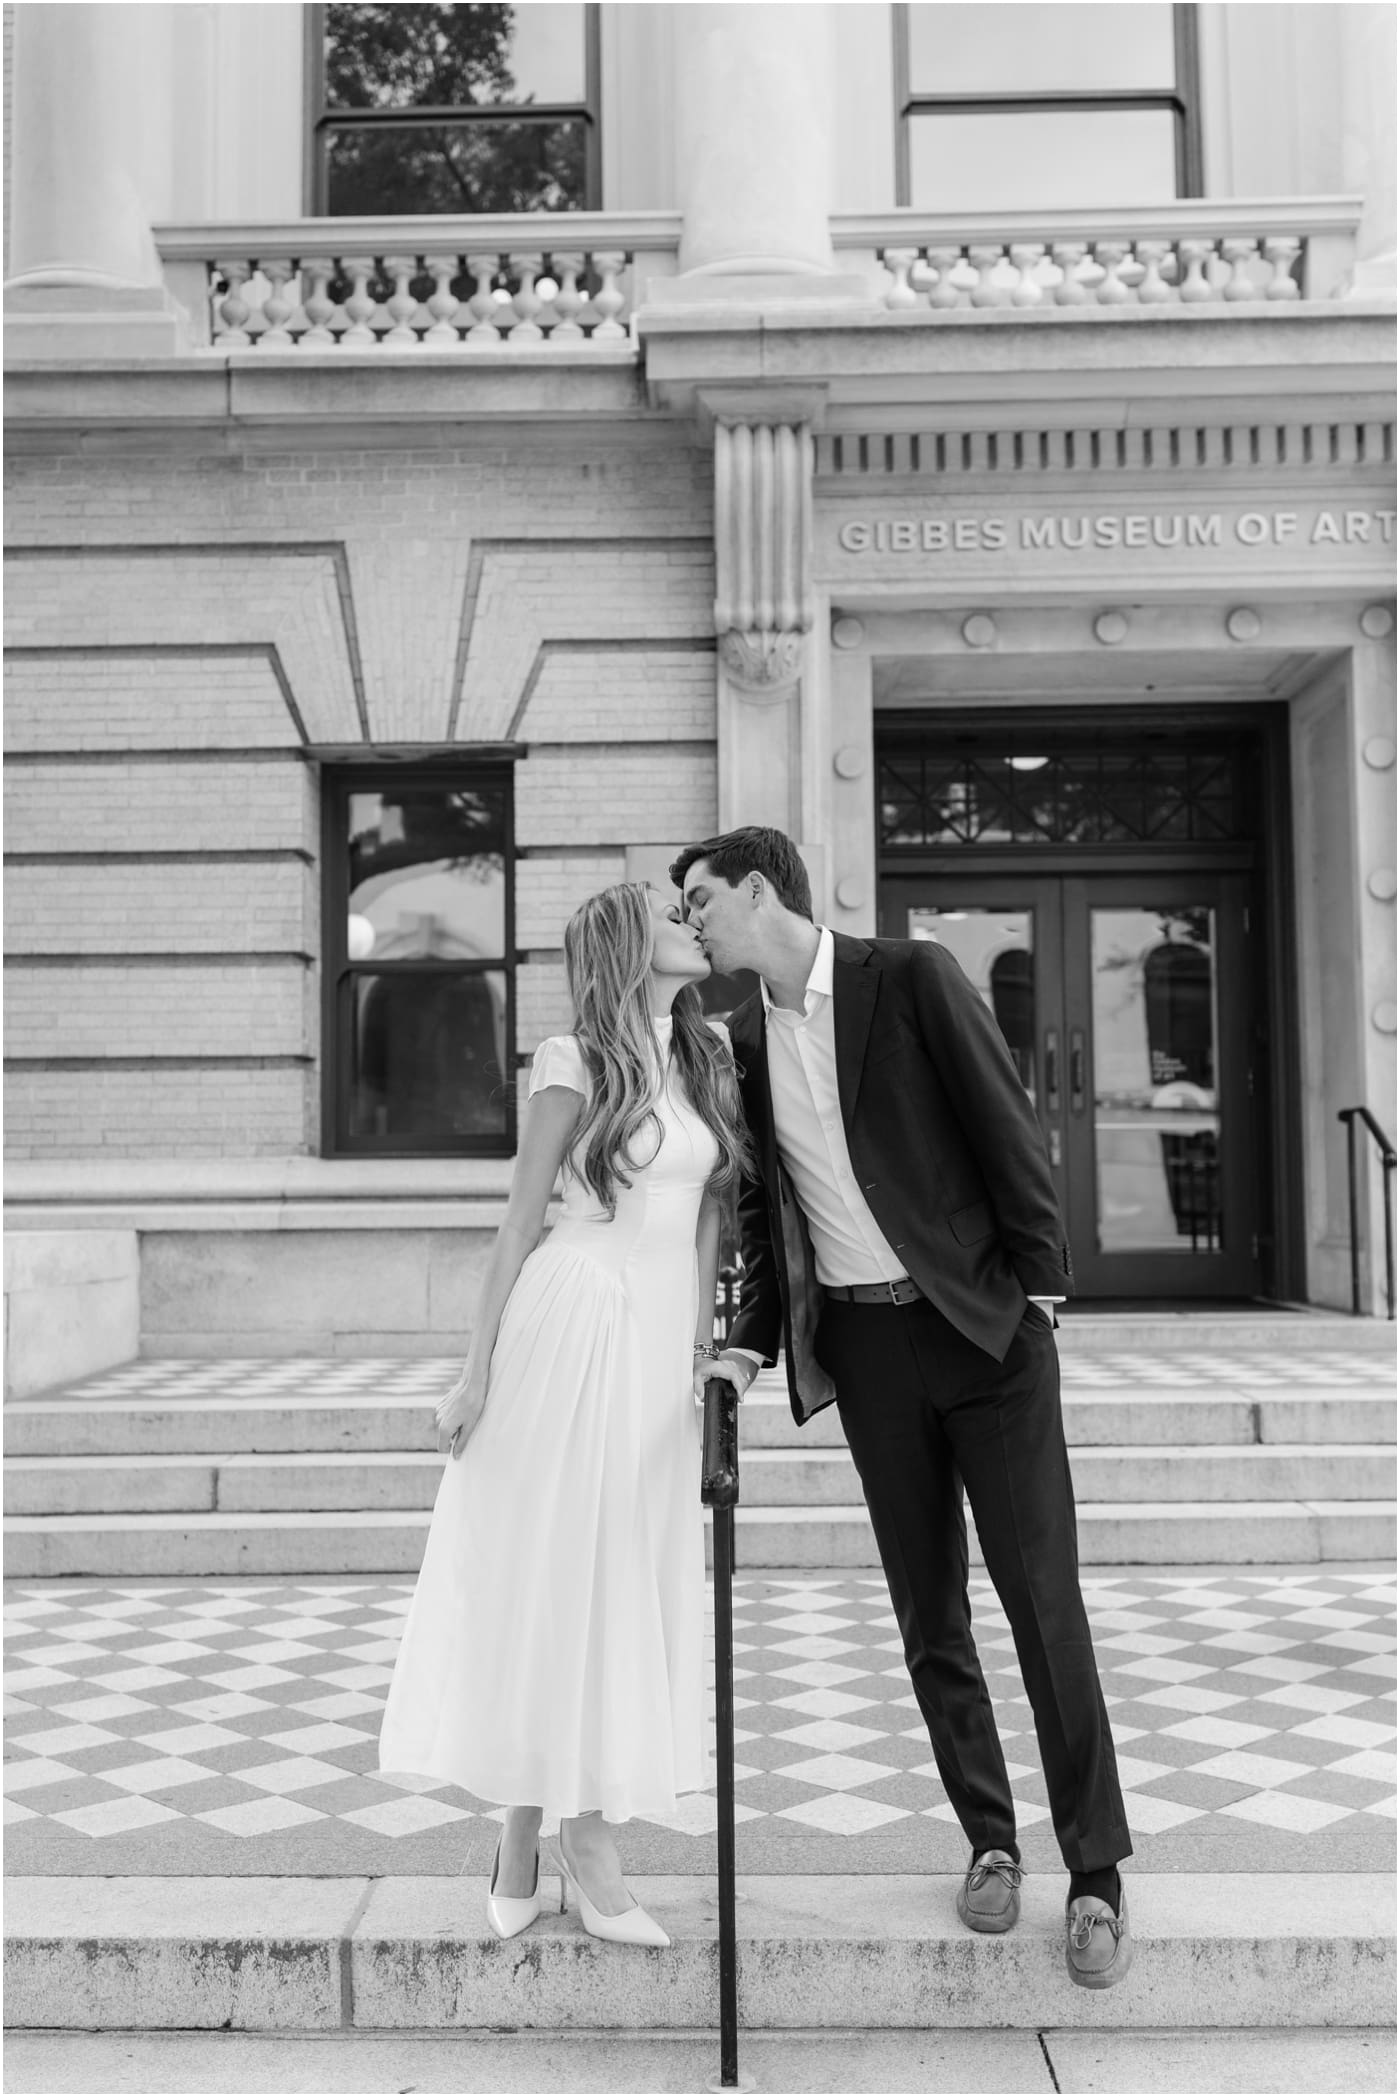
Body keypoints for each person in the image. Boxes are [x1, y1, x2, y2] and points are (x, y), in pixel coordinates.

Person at [671, 827, 1134, 1989]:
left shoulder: (910, 976)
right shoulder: (738, 1042)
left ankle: (1095, 1875)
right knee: (929, 1618)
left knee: (1041, 1607)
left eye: (700, 900)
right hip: (866, 1353)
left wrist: (1030, 1302)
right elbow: (775, 1229)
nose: (691, 924)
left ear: (760, 889)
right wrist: (744, 1349)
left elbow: (1007, 1132)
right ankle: (988, 1842)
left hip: (980, 1338)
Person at [379, 882, 752, 1947]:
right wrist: (473, 1374)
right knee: (558, 1580)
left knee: (620, 1583)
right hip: (572, 1328)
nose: (692, 923)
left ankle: (538, 1831)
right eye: (671, 916)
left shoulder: (702, 1057)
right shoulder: (571, 1062)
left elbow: (706, 1223)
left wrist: (699, 1354)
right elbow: (514, 1230)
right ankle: (563, 1845)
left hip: (653, 1353)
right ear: (631, 945)